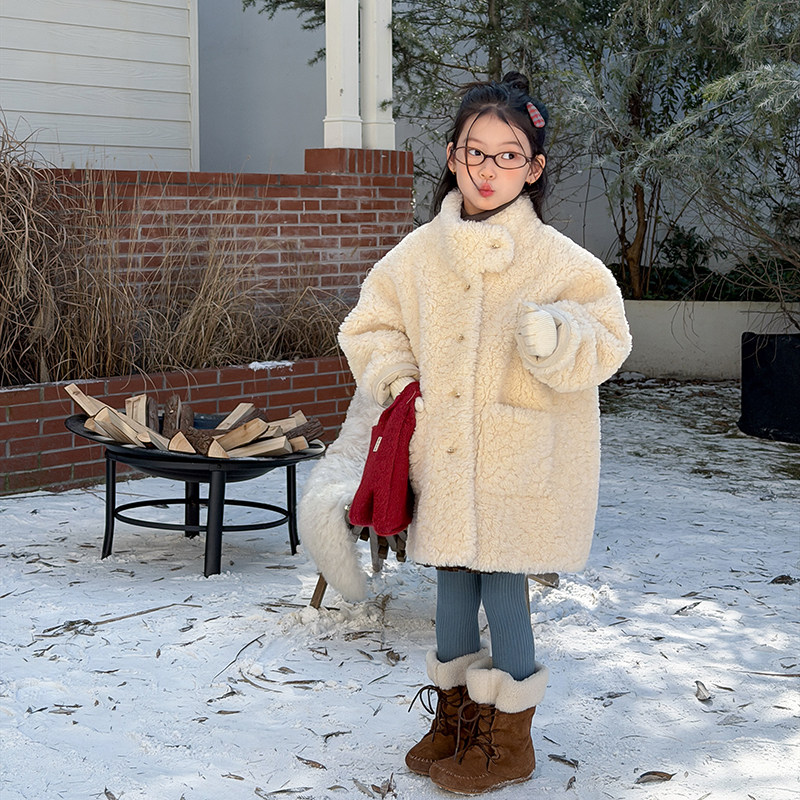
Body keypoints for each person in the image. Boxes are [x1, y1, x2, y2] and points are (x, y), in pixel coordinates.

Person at [333, 72, 632, 794]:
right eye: (475, 152)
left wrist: (557, 335)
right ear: (451, 156)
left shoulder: (560, 259)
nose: (488, 169)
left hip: (519, 458)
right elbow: (369, 325)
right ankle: (458, 719)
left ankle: (510, 736)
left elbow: (609, 337)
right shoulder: (416, 255)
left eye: (508, 155)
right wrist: (401, 383)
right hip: (443, 452)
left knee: (503, 584)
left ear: (533, 167)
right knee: (450, 583)